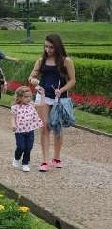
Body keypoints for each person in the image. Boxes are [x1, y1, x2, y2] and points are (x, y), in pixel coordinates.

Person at [28, 34, 76, 172]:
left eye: (51, 47)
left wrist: (61, 90)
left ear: (57, 46)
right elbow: (31, 77)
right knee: (44, 128)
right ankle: (44, 161)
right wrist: (35, 82)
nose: (48, 49)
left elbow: (72, 80)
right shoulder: (41, 61)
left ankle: (57, 157)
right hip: (43, 97)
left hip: (59, 98)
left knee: (57, 127)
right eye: (46, 46)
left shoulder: (66, 61)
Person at [10, 86, 44, 173]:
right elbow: (13, 117)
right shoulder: (15, 107)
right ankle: (16, 158)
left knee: (28, 147)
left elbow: (42, 105)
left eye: (30, 96)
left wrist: (43, 95)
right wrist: (13, 125)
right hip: (19, 131)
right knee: (21, 147)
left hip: (30, 131)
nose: (28, 99)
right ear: (20, 97)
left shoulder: (31, 105)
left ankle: (25, 163)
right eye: (26, 97)